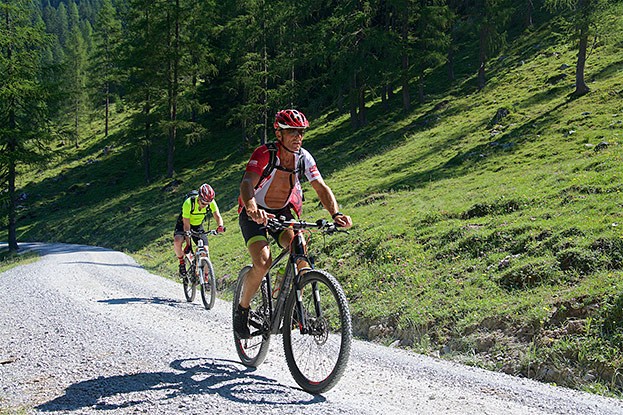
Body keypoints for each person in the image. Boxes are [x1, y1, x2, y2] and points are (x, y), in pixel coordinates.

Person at [234, 109, 352, 338]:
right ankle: (243, 310)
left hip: (282, 213)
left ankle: (290, 300)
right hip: (255, 214)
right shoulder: (265, 154)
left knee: (299, 248)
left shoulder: (303, 157)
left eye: (301, 132)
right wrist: (251, 208)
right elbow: (247, 182)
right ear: (279, 134)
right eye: (292, 132)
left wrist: (336, 213)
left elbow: (320, 187)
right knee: (263, 262)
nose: (298, 137)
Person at [173, 183, 225, 275]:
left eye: (207, 204)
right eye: (203, 203)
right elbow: (186, 225)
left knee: (205, 250)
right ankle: (181, 263)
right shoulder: (188, 203)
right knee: (178, 241)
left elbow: (217, 216)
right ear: (199, 198)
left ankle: (205, 280)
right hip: (184, 224)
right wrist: (188, 245)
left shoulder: (210, 202)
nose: (205, 206)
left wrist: (220, 226)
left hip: (197, 226)